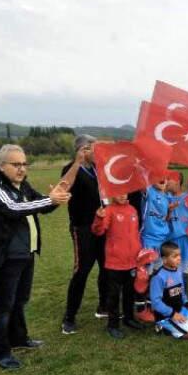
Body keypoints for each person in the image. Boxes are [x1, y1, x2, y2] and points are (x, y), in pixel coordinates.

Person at [0, 144, 70, 369]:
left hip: (25, 252)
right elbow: (13, 208)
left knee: (20, 300)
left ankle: (18, 338)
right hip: (5, 254)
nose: (21, 169)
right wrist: (49, 199)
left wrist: (56, 197)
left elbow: (41, 206)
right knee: (3, 304)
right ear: (1, 165)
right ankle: (0, 352)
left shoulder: (22, 185)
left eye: (24, 164)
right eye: (15, 164)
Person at [61, 135, 109, 335]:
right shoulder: (71, 168)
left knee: (106, 267)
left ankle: (103, 306)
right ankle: (69, 318)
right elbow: (64, 187)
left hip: (101, 226)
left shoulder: (96, 169)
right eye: (93, 148)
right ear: (83, 149)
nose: (97, 152)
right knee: (82, 271)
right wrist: (77, 161)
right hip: (82, 228)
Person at [91, 193, 144, 339]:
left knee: (129, 292)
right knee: (113, 295)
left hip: (132, 261)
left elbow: (135, 234)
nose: (122, 195)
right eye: (118, 192)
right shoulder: (109, 210)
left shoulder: (132, 210)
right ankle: (112, 325)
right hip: (115, 262)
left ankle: (129, 318)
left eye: (125, 192)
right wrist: (99, 218)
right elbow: (98, 230)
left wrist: (138, 252)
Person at [150, 241, 188, 339]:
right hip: (166, 315)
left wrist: (187, 304)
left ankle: (183, 323)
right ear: (164, 259)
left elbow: (182, 292)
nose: (179, 258)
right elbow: (156, 303)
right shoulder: (158, 277)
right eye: (175, 256)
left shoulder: (178, 271)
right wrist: (172, 314)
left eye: (179, 255)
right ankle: (162, 326)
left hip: (180, 310)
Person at [136, 176, 171, 322]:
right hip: (149, 241)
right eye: (159, 176)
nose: (162, 179)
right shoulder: (148, 191)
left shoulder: (166, 196)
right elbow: (141, 183)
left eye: (165, 177)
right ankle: (140, 309)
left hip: (161, 241)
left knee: (155, 277)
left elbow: (164, 218)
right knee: (143, 277)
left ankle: (151, 306)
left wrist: (169, 211)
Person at [166, 171, 188, 290]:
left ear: (177, 181)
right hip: (170, 240)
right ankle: (171, 294)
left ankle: (183, 296)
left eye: (168, 180)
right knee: (170, 268)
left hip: (186, 240)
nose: (166, 182)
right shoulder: (164, 197)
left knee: (185, 269)